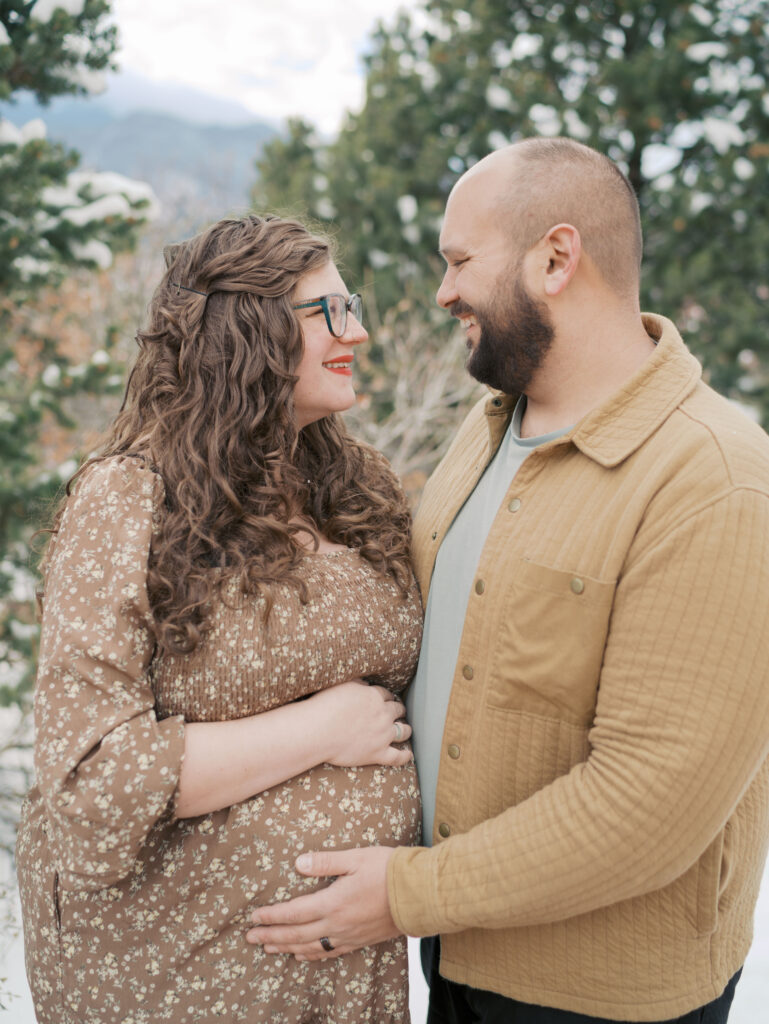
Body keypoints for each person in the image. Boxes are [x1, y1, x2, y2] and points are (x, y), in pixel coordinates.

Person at [247, 139, 769, 1024]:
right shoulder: (490, 426)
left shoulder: (713, 479)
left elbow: (649, 807)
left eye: (459, 261)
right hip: (458, 955)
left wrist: (408, 893)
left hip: (597, 997)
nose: (442, 292)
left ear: (555, 258)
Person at [16, 213, 423, 1024]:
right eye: (329, 312)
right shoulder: (127, 498)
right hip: (184, 972)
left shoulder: (354, 486)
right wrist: (324, 728)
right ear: (247, 333)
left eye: (352, 307)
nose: (358, 331)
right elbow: (93, 778)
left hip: (344, 971)